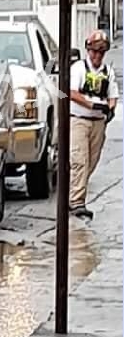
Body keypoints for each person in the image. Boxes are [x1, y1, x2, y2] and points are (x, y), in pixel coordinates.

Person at [68, 29, 118, 220]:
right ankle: (77, 202)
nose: (97, 55)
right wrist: (91, 104)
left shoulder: (108, 72)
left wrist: (110, 109)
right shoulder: (78, 69)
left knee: (91, 162)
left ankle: (74, 193)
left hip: (98, 123)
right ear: (88, 50)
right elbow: (70, 93)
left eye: (101, 52)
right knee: (79, 160)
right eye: (94, 51)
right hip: (79, 120)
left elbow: (113, 96)